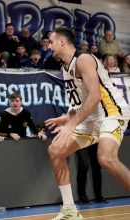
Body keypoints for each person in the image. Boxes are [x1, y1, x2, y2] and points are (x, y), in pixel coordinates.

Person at [45, 26, 130, 220]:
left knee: (106, 158)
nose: (48, 46)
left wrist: (72, 125)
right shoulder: (65, 68)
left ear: (62, 42)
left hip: (111, 111)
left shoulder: (83, 59)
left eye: (51, 42)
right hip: (91, 117)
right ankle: (69, 211)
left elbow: (94, 97)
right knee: (55, 150)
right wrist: (67, 118)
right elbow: (78, 104)